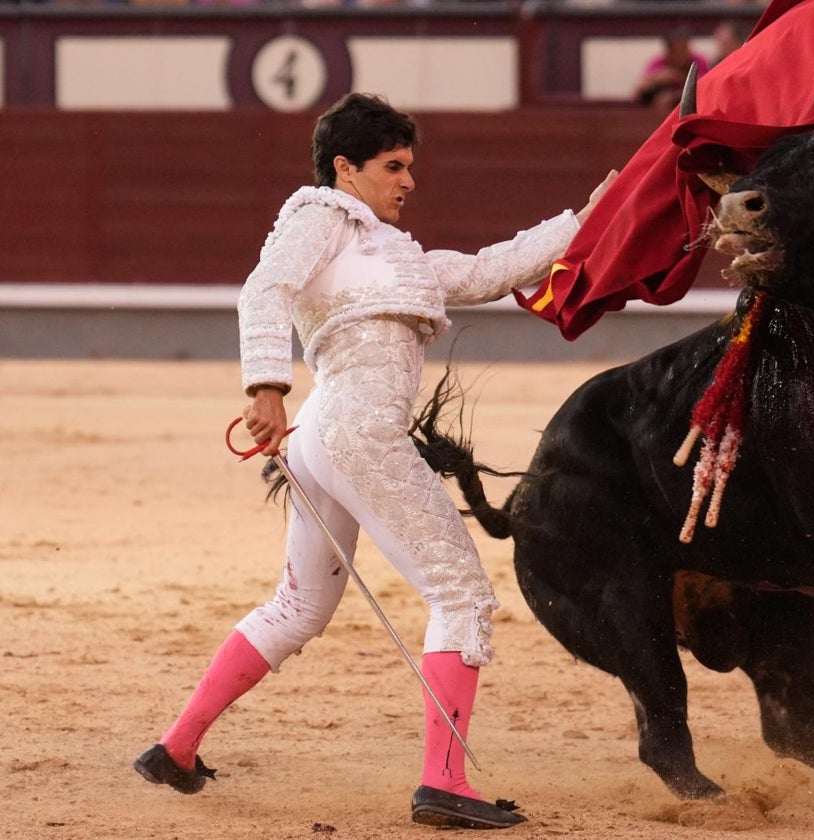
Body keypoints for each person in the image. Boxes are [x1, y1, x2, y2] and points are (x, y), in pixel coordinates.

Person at [133, 92, 615, 830]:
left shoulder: (393, 253)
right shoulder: (320, 216)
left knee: (298, 606)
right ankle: (442, 782)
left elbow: (489, 269)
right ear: (344, 169)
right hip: (353, 429)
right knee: (459, 593)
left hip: (329, 434)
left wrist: (585, 219)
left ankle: (177, 748)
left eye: (410, 165)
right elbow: (265, 288)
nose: (409, 180)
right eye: (394, 166)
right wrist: (264, 385)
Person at [633, 27, 711, 112]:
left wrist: (676, 94)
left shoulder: (698, 61)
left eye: (685, 49)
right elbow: (637, 91)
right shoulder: (658, 63)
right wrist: (657, 78)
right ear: (669, 50)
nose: (683, 55)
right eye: (678, 50)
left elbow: (707, 88)